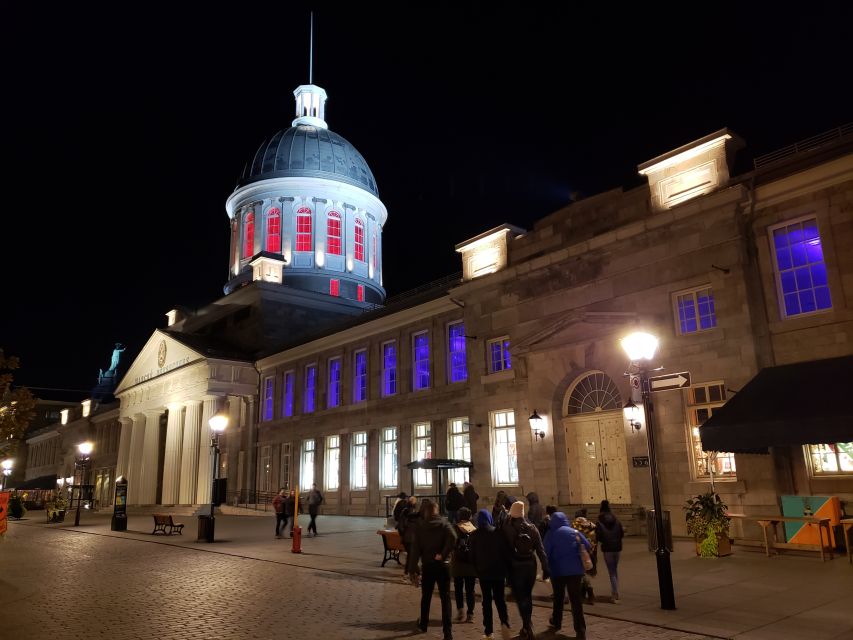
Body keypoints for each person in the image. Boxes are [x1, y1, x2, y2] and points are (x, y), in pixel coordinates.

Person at [410, 498, 456, 640]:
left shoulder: (421, 527)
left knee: (426, 596)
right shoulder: (444, 523)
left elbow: (415, 550)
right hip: (443, 566)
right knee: (445, 598)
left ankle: (423, 624)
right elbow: (454, 537)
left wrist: (414, 569)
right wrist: (443, 554)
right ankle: (447, 632)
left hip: (428, 566)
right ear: (437, 510)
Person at [502, 501, 549, 639]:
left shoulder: (507, 528)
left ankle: (527, 625)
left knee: (520, 597)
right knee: (527, 596)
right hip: (530, 565)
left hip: (515, 566)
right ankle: (526, 625)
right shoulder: (532, 528)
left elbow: (503, 549)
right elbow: (541, 550)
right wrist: (546, 567)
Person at [544, 511, 592, 640]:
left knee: (558, 598)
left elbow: (545, 553)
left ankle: (557, 622)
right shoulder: (574, 532)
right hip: (575, 571)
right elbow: (587, 546)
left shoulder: (551, 534)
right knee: (576, 601)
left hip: (557, 571)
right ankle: (580, 630)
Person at [470, 509, 512, 640]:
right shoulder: (498, 533)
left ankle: (489, 631)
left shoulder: (474, 535)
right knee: (500, 600)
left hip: (484, 573)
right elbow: (506, 552)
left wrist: (477, 570)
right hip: (498, 572)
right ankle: (504, 623)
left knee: (486, 601)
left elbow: (472, 556)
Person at [450, 507, 477, 624]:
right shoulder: (474, 529)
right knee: (470, 590)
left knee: (458, 589)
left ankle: (460, 611)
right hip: (471, 564)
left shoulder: (455, 528)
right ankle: (470, 614)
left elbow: (450, 545)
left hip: (458, 563)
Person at [595, 499, 624, 603]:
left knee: (611, 571)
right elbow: (621, 533)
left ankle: (615, 593)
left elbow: (598, 536)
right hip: (617, 547)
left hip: (607, 548)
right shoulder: (616, 519)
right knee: (614, 570)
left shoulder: (599, 521)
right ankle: (616, 591)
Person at [572, 508, 598, 604]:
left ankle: (590, 593)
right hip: (591, 551)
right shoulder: (590, 524)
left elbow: (574, 537)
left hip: (580, 551)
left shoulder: (575, 524)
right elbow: (594, 538)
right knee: (584, 572)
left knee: (582, 573)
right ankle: (583, 594)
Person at [398, 496, 421, 581]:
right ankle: (413, 574)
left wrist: (403, 534)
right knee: (411, 557)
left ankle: (409, 573)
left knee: (410, 556)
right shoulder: (417, 514)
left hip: (406, 538)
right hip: (413, 538)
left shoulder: (404, 512)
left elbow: (400, 526)